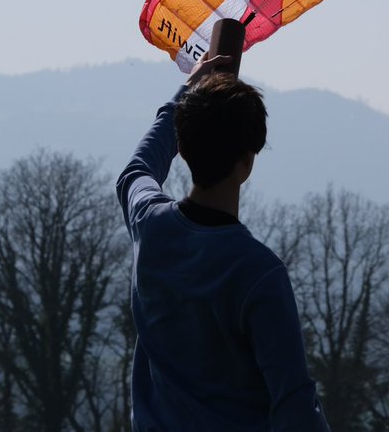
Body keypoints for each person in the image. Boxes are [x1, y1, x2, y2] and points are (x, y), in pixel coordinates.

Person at [117, 55, 330, 431]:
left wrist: (186, 93)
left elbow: (136, 172)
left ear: (182, 148)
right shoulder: (259, 273)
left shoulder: (149, 225)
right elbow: (294, 405)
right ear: (247, 161)